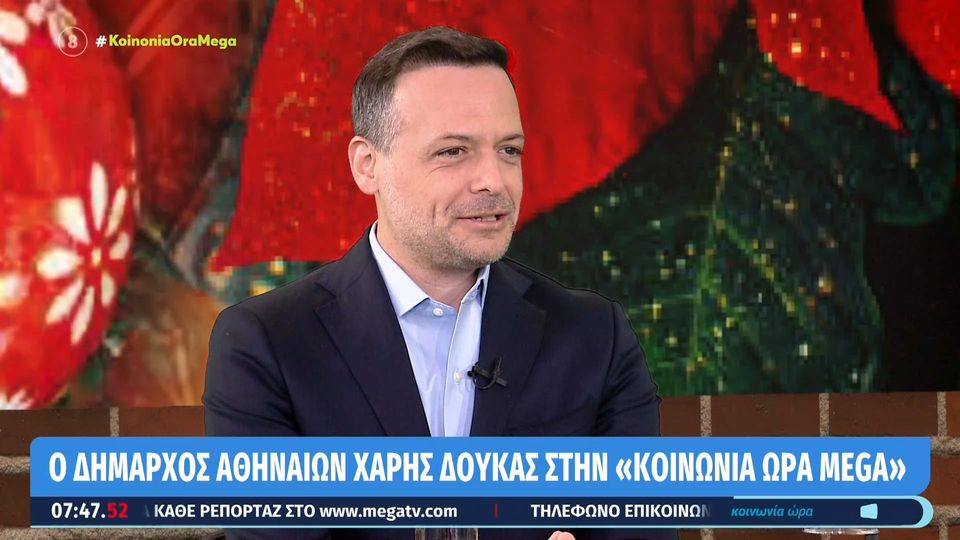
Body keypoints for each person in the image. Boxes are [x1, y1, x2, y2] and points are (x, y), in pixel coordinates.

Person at [204, 26, 674, 540]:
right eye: (453, 151)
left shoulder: (595, 337)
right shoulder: (265, 344)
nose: (493, 180)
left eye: (509, 150)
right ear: (367, 165)